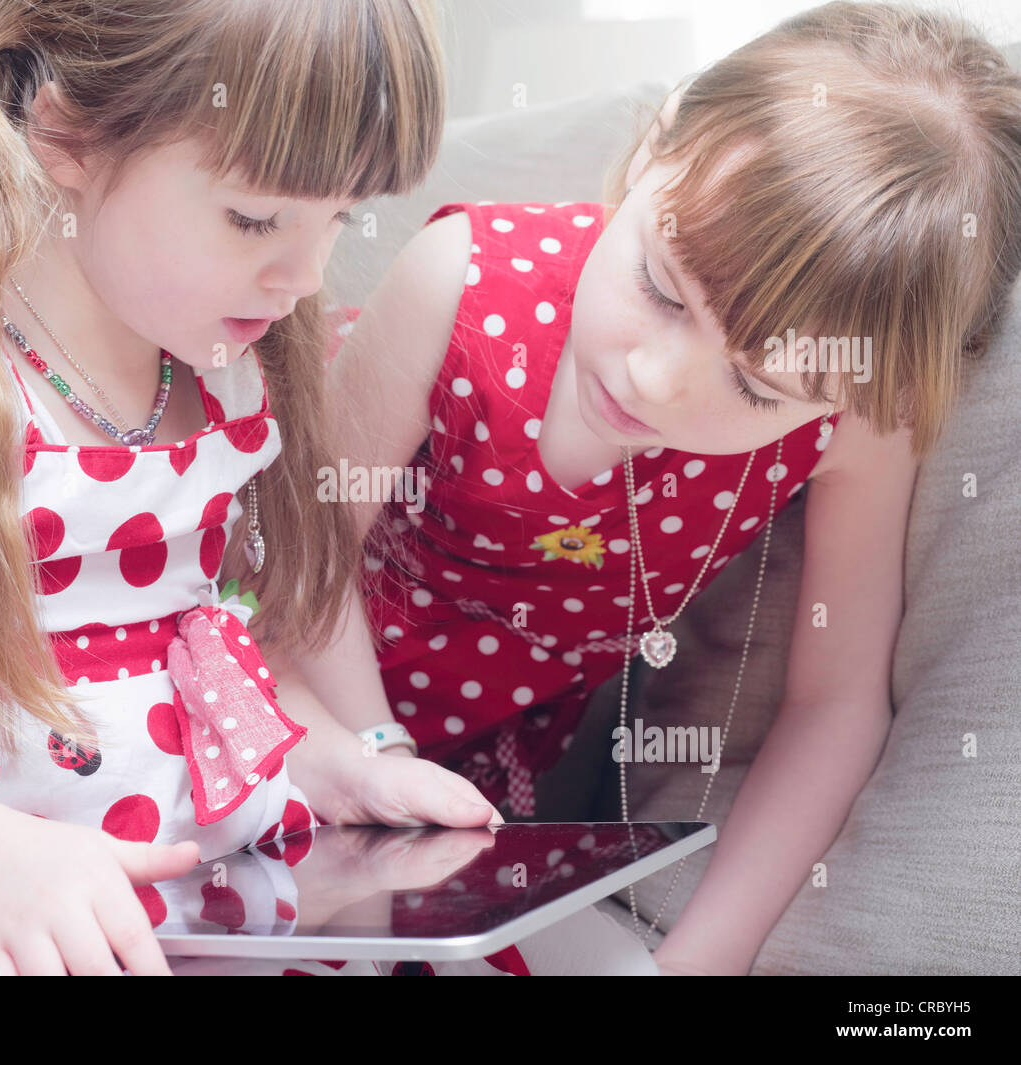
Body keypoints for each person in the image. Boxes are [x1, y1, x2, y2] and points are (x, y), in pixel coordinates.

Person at [0, 0, 510, 977]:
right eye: (255, 218)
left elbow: (190, 668)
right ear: (65, 134)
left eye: (338, 217)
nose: (305, 277)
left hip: (188, 917)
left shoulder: (220, 386)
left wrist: (332, 760)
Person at [273, 0, 1021, 975]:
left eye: (754, 386)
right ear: (652, 150)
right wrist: (372, 750)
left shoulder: (853, 420)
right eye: (661, 288)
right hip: (287, 682)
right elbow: (295, 564)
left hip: (472, 789)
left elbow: (832, 707)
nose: (652, 380)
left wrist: (694, 964)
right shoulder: (459, 282)